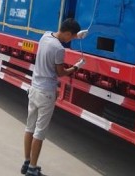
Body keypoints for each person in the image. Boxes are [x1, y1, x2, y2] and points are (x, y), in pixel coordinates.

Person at [21, 19, 87, 176]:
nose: (71, 40)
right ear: (67, 33)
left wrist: (78, 35)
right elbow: (61, 73)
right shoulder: (59, 49)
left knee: (29, 127)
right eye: (72, 37)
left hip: (34, 88)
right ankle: (32, 169)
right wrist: (77, 66)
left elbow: (63, 37)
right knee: (39, 132)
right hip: (46, 93)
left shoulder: (45, 36)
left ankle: (26, 162)